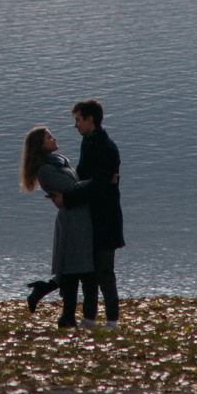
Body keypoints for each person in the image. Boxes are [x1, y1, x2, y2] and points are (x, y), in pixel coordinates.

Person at [18, 124, 96, 326]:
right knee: (72, 270)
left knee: (74, 269)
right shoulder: (46, 170)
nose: (54, 139)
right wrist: (97, 182)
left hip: (79, 219)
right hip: (72, 222)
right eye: (49, 137)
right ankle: (67, 317)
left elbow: (72, 189)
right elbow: (70, 188)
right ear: (41, 146)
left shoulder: (58, 163)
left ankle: (47, 294)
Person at [72, 98, 124, 328]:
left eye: (78, 120)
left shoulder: (106, 147)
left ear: (89, 119)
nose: (76, 125)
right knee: (88, 272)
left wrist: (70, 196)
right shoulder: (88, 143)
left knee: (105, 271)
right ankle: (89, 318)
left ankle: (112, 320)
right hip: (89, 217)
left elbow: (98, 185)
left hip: (105, 219)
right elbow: (83, 177)